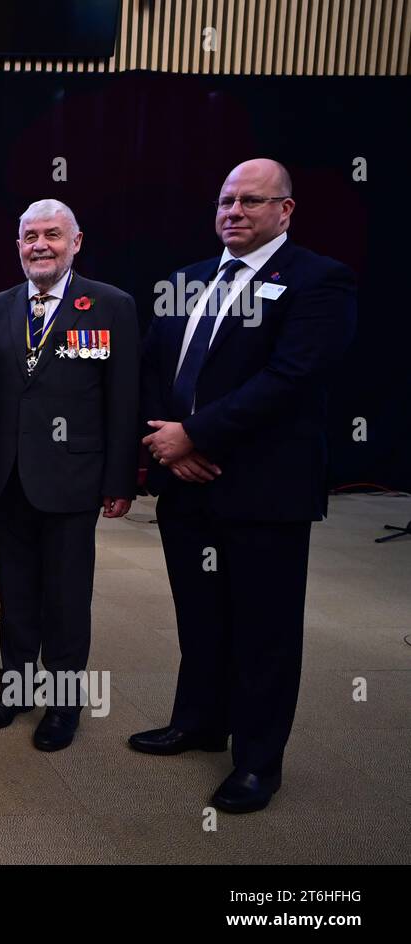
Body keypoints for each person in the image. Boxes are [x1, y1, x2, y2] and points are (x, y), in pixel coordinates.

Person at [132, 158, 358, 813]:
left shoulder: (320, 281)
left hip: (264, 491)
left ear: (286, 210)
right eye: (226, 200)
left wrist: (196, 435)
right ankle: (199, 722)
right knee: (200, 618)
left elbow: (290, 379)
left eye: (251, 201)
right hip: (186, 486)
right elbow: (154, 372)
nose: (233, 211)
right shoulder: (187, 280)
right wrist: (169, 446)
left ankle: (259, 762)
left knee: (264, 631)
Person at [0, 199, 138, 752]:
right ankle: (17, 687)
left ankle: (65, 703)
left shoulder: (111, 306)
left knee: (67, 598)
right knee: (16, 591)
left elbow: (123, 400)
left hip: (73, 480)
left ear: (76, 242)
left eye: (51, 235)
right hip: (5, 479)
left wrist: (120, 479)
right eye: (28, 237)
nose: (39, 246)